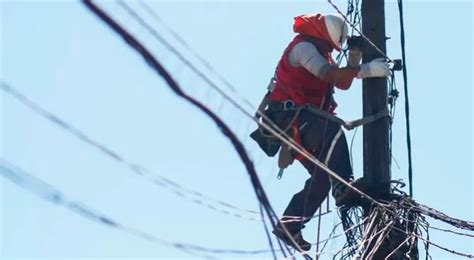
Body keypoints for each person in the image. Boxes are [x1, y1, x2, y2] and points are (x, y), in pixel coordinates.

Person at [250, 13, 391, 251]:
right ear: (322, 35)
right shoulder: (303, 48)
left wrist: (355, 57)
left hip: (301, 127)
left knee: (322, 176)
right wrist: (367, 70)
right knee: (333, 127)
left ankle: (289, 225)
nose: (331, 50)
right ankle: (343, 185)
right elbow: (329, 75)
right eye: (329, 46)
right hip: (295, 121)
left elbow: (342, 82)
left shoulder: (320, 51)